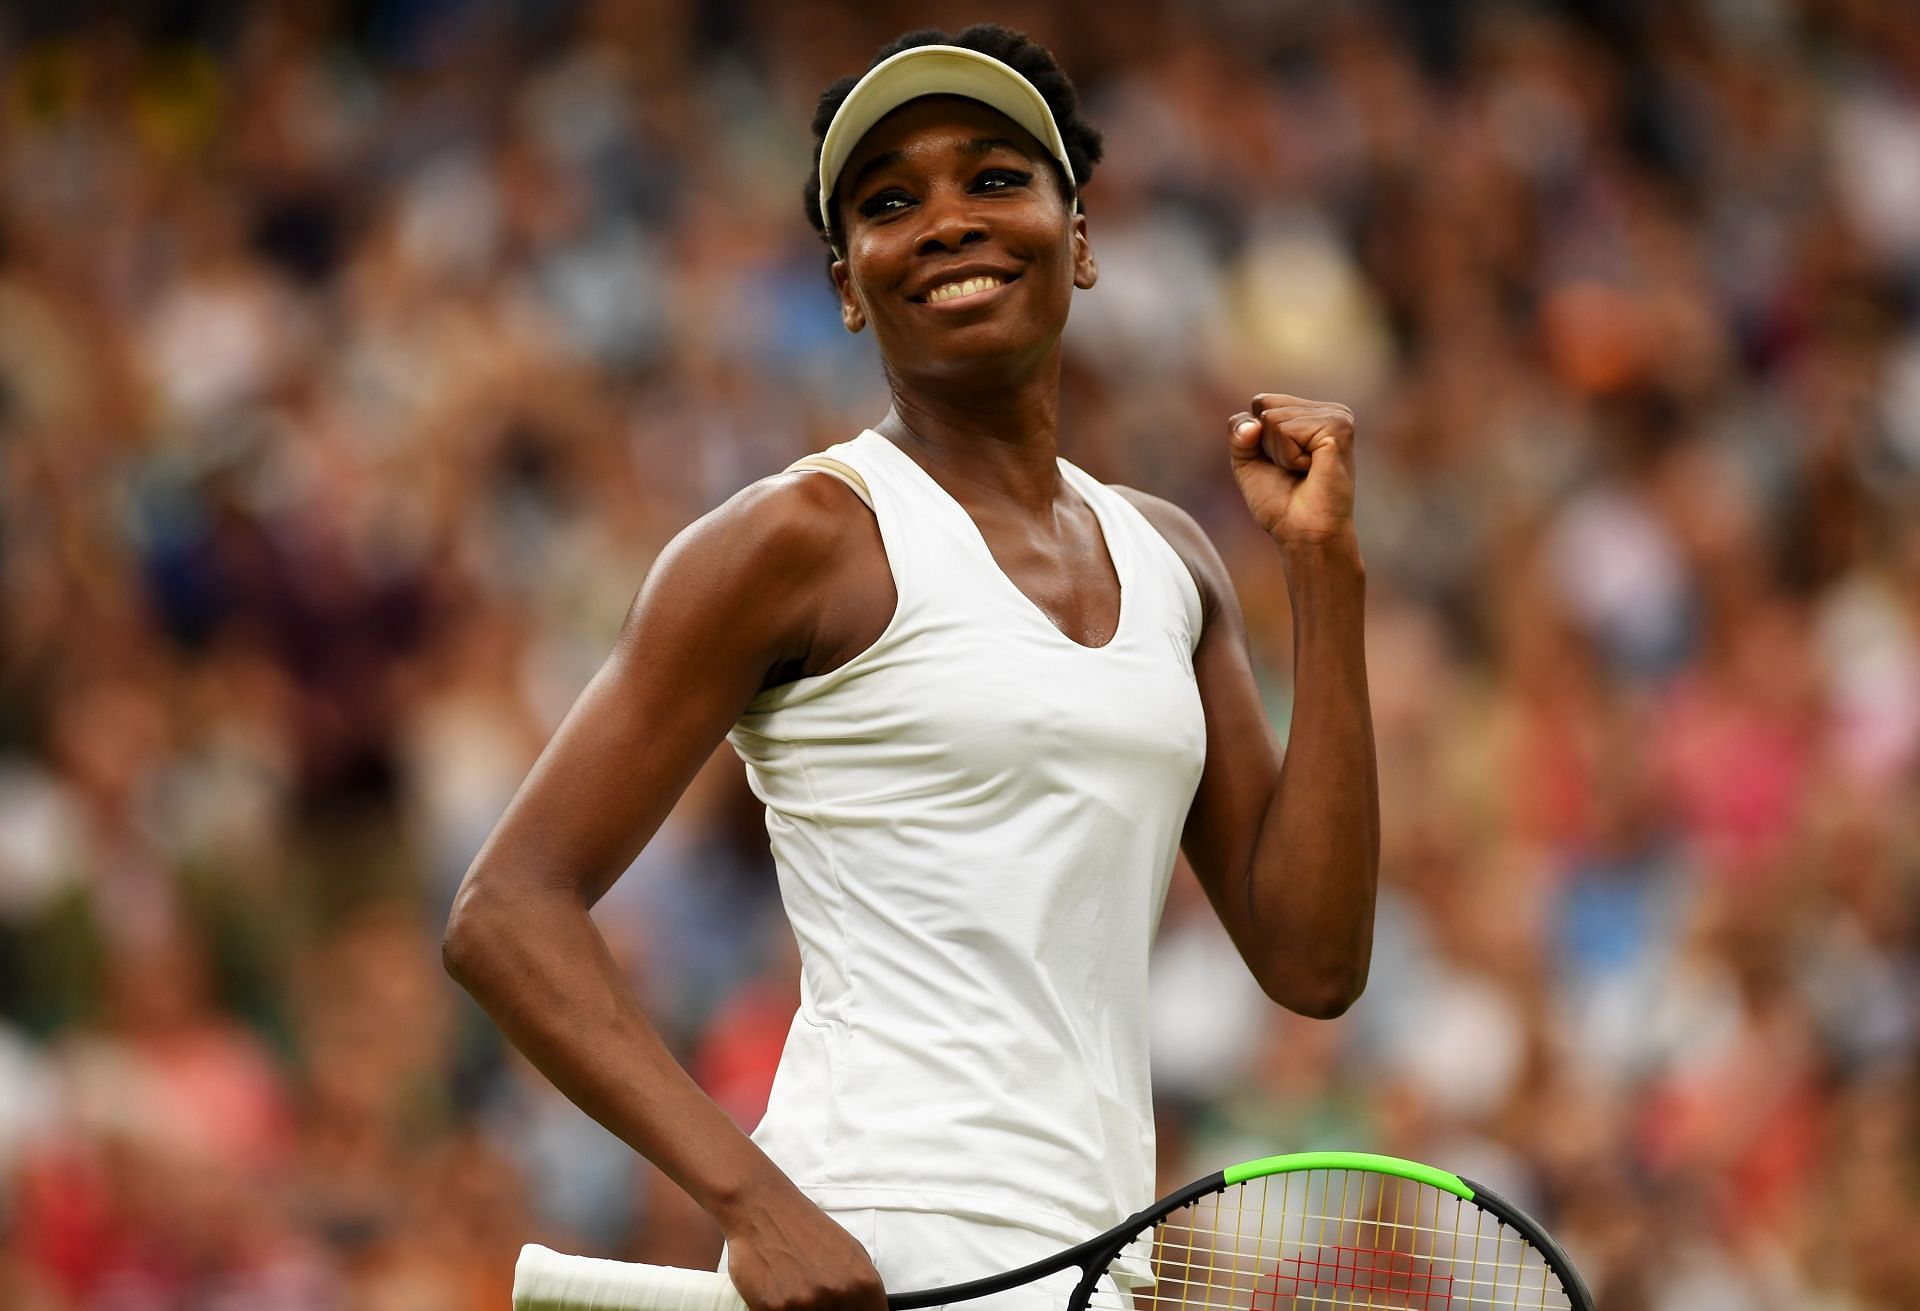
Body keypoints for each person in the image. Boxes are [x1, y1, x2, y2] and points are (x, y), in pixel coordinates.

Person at [442, 22, 1378, 1311]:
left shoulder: (1173, 560)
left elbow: (1313, 960)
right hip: (878, 1243)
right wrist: (757, 1207)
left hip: (1100, 1263)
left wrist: (1324, 574)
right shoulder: (792, 540)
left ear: (1082, 236)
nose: (946, 220)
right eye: (890, 203)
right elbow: (505, 910)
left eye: (995, 178)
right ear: (844, 281)